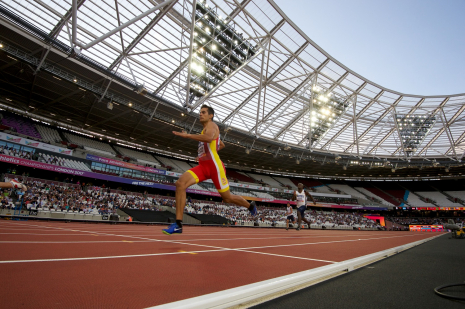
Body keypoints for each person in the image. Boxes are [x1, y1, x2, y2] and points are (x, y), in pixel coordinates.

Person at [162, 105, 257, 235]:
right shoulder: (204, 129)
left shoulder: (212, 125)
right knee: (180, 184)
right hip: (203, 166)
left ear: (210, 115)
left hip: (215, 167)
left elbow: (208, 138)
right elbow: (220, 144)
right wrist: (203, 154)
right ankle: (178, 224)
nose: (200, 114)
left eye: (203, 112)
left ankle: (250, 206)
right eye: (200, 112)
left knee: (227, 198)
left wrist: (187, 135)